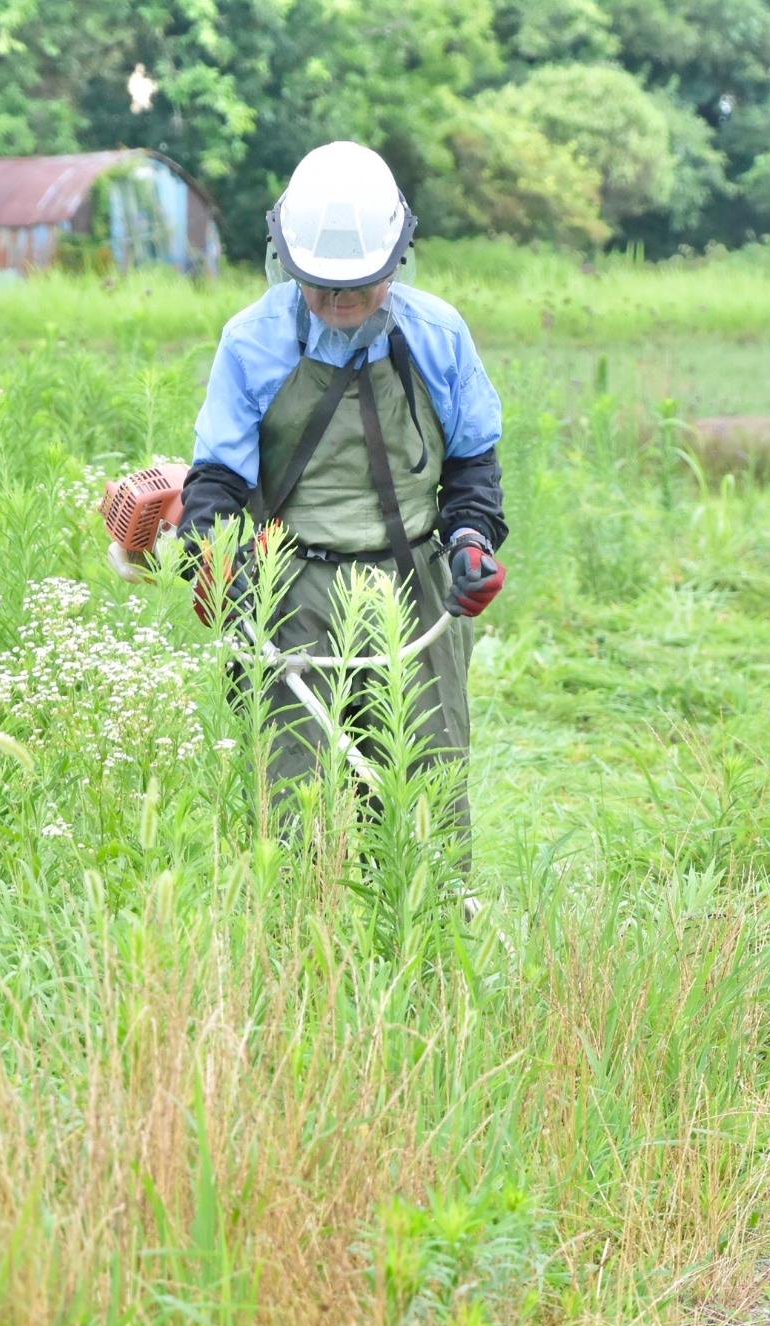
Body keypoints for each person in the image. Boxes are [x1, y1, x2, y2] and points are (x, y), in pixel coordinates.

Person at [176, 140, 507, 842]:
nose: (341, 300)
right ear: (286, 261)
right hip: (291, 589)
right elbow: (218, 482)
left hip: (416, 586)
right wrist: (214, 557)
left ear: (398, 258)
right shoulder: (251, 343)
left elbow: (474, 466)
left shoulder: (439, 334)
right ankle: (300, 943)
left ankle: (433, 945)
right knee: (292, 806)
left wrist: (471, 542)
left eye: (360, 283)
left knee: (428, 795)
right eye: (322, 286)